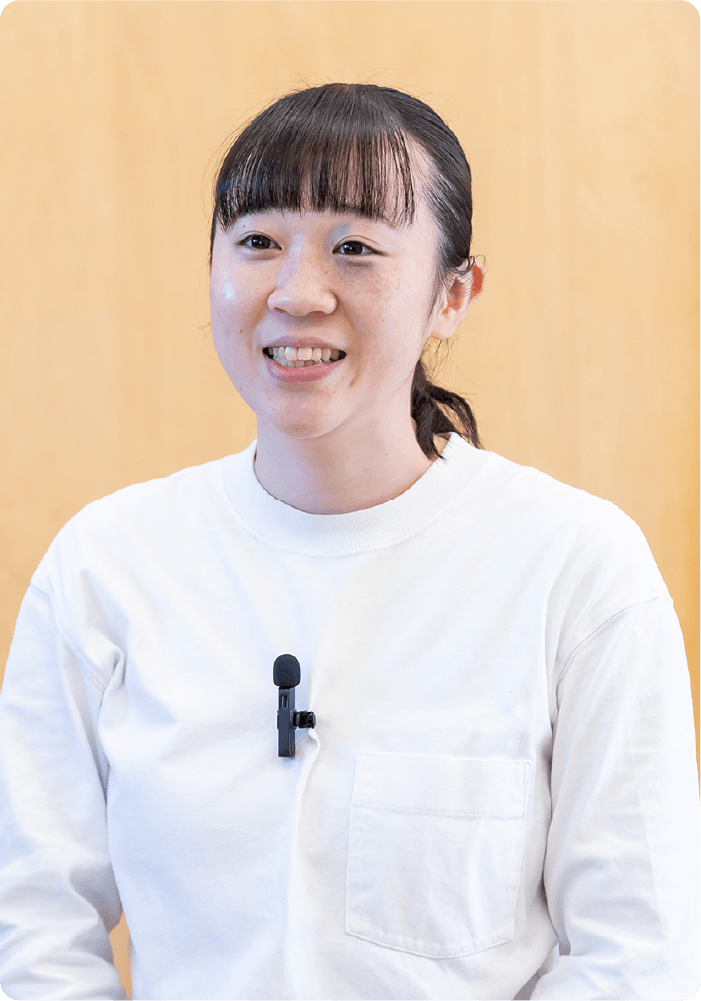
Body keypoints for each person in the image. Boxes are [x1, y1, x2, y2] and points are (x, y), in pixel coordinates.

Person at [0, 81, 699, 1001]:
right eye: (258, 242)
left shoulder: (577, 567)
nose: (296, 293)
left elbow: (638, 956)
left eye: (355, 248)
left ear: (452, 294)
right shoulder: (104, 566)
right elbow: (34, 927)